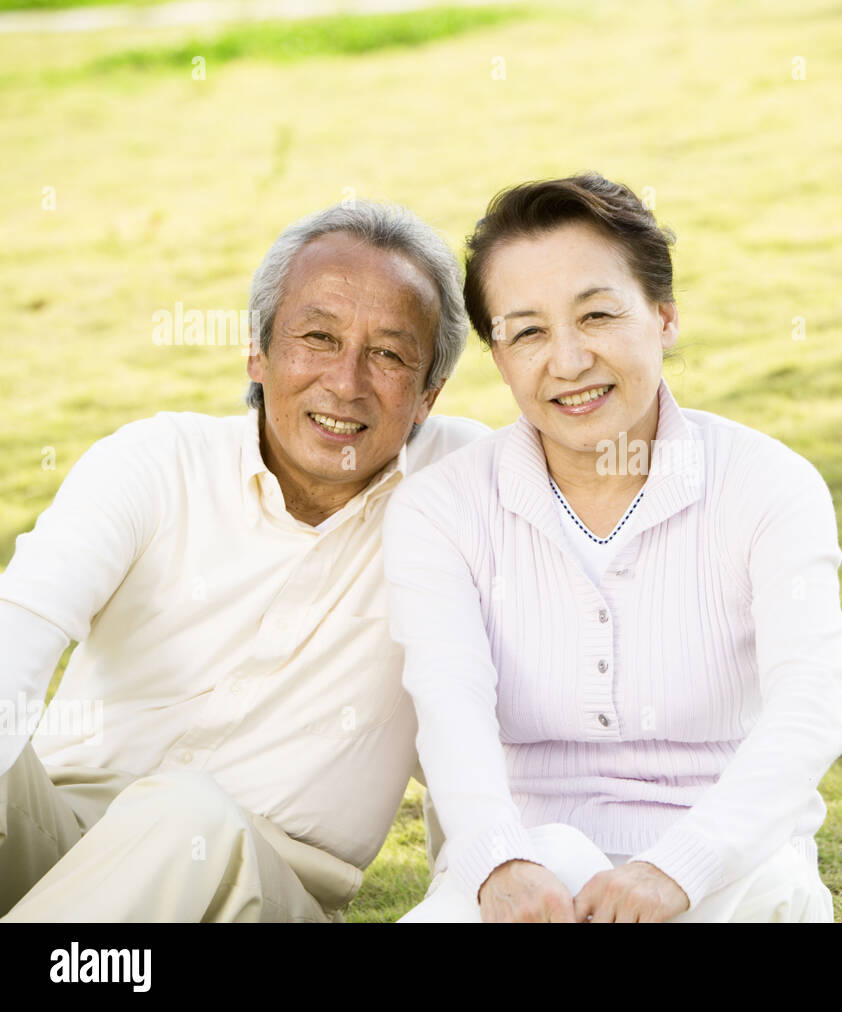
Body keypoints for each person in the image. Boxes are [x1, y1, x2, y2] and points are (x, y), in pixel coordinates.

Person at [0, 201, 488, 921]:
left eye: (388, 354)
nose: (345, 382)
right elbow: (18, 630)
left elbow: (500, 724)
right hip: (65, 836)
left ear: (428, 397)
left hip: (257, 885)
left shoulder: (469, 495)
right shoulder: (156, 461)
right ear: (257, 351)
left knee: (189, 817)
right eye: (317, 337)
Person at [385, 172, 842, 922]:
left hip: (733, 877)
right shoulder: (442, 509)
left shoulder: (770, 487)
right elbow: (450, 711)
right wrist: (500, 859)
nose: (567, 362)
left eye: (597, 315)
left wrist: (676, 869)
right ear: (499, 357)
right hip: (528, 876)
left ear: (663, 317)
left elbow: (810, 711)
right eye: (528, 331)